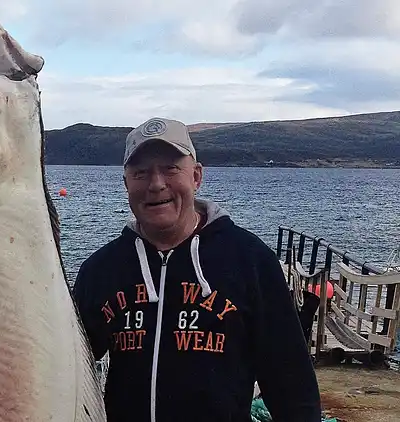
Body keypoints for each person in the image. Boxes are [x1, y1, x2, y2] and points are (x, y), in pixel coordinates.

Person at [71, 117, 322, 421]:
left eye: (170, 168)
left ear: (196, 176)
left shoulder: (250, 261)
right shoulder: (101, 270)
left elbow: (291, 382)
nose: (156, 184)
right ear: (126, 183)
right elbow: (66, 368)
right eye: (141, 172)